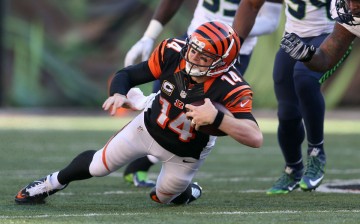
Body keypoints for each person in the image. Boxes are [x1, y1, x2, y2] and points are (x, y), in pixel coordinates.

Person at [15, 21, 263, 205]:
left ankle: (188, 191)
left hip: (186, 152)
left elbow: (255, 137)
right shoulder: (173, 52)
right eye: (194, 49)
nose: (193, 57)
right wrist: (118, 93)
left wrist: (218, 118)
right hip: (147, 127)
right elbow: (129, 74)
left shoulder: (232, 86)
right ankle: (50, 183)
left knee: (163, 197)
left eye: (204, 56)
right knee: (100, 165)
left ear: (221, 62)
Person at [122, 0, 282, 187]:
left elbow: (270, 21)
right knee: (167, 102)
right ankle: (138, 160)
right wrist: (150, 35)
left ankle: (150, 168)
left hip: (224, 58)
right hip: (193, 45)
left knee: (195, 113)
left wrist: (223, 36)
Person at [233, 0, 337, 194]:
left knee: (304, 77)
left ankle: (316, 153)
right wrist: (233, 45)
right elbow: (251, 5)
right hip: (294, 36)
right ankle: (293, 167)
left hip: (330, 36)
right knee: (287, 111)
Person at [280, 0, 359, 72]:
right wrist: (306, 54)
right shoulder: (348, 16)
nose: (352, 8)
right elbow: (326, 58)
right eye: (349, 0)